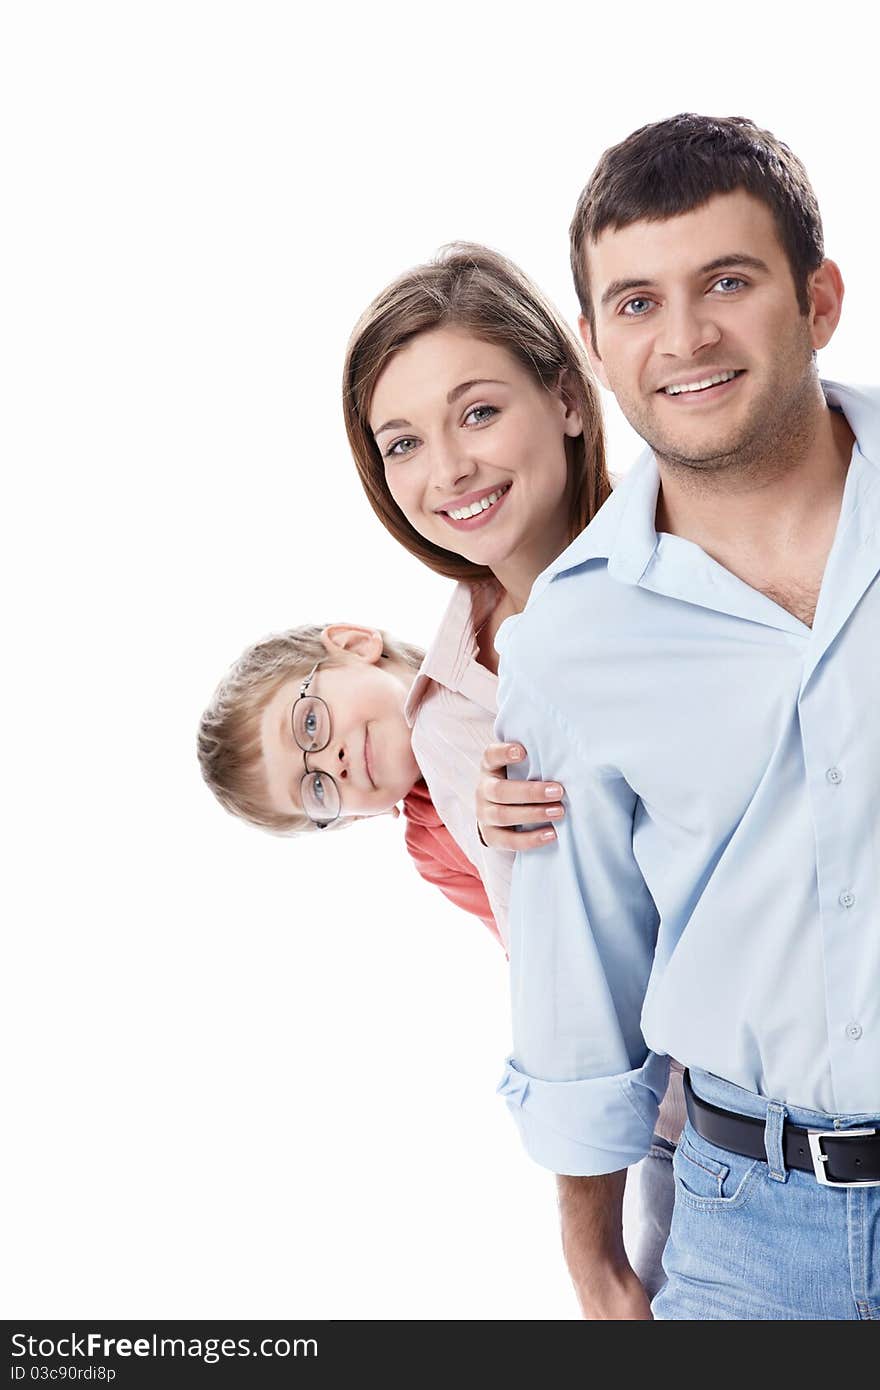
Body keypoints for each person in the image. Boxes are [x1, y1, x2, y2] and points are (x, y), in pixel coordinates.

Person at [482, 113, 880, 1319]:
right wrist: (595, 1268)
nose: (687, 336)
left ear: (817, 298)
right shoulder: (567, 638)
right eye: (637, 303)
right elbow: (577, 976)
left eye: (726, 281)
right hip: (751, 1238)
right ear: (596, 347)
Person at [343, 243, 685, 1302]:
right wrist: (592, 1257)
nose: (444, 471)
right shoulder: (452, 718)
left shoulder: (710, 544)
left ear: (568, 399)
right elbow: (566, 983)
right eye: (402, 443)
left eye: (477, 412)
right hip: (705, 1145)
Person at [197, 622, 503, 947]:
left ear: (354, 645)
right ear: (351, 817)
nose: (332, 765)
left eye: (310, 723)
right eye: (316, 788)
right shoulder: (435, 854)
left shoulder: (488, 634)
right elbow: (535, 950)